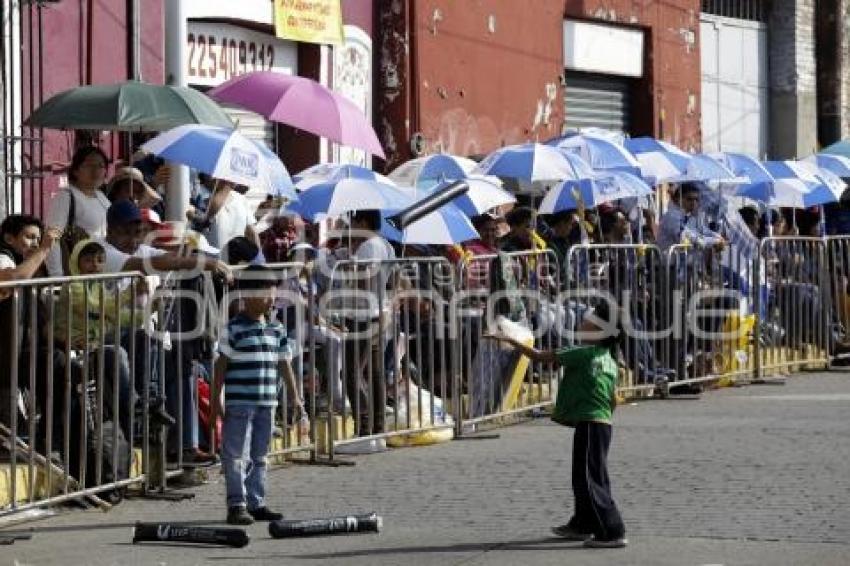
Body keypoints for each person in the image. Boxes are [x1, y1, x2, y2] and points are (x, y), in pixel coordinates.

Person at [486, 302, 627, 548]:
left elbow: (541, 357)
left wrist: (510, 339)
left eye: (589, 320)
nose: (582, 322)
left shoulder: (582, 354)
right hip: (600, 423)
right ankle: (583, 523)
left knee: (590, 477)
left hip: (592, 423)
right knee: (583, 475)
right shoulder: (608, 359)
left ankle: (611, 530)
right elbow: (613, 397)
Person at [214, 264, 304, 525]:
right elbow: (221, 365)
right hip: (239, 402)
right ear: (247, 294)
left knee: (260, 455)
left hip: (267, 402)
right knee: (235, 454)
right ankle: (237, 503)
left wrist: (296, 397)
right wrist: (217, 401)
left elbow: (284, 362)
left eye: (273, 292)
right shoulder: (233, 328)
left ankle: (256, 501)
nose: (272, 298)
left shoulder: (276, 328)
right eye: (266, 292)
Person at [45, 145, 113, 276]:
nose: (96, 171)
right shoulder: (66, 196)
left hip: (101, 269)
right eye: (89, 166)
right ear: (76, 170)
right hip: (77, 271)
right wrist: (57, 276)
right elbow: (52, 239)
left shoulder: (102, 197)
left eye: (100, 166)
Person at [0, 215, 61, 300]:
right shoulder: (3, 258)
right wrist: (44, 249)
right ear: (9, 239)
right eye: (30, 237)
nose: (36, 244)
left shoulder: (21, 260)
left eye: (38, 240)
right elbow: (12, 280)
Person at [657, 183, 725, 253]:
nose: (694, 203)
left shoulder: (688, 216)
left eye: (696, 199)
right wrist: (713, 241)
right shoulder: (671, 216)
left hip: (685, 261)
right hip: (670, 262)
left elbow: (702, 230)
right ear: (678, 199)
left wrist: (717, 237)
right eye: (689, 199)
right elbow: (688, 237)